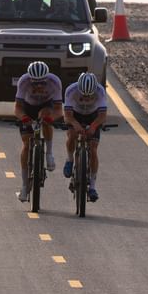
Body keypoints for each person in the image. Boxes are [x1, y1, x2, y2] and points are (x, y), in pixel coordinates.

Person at [13, 60, 63, 202]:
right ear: (30, 79)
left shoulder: (55, 82)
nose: (39, 86)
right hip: (28, 107)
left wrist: (51, 119)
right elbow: (17, 108)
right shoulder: (23, 81)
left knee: (45, 116)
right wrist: (24, 118)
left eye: (42, 82)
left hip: (46, 105)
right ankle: (24, 186)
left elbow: (59, 110)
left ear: (47, 78)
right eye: (35, 83)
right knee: (26, 144)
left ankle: (49, 154)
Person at [63, 72, 108, 202]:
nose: (86, 97)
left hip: (93, 115)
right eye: (83, 95)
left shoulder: (100, 91)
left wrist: (93, 126)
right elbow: (67, 116)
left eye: (89, 95)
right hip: (75, 114)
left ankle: (92, 186)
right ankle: (70, 160)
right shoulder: (71, 90)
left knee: (93, 149)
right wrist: (75, 124)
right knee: (72, 134)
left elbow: (102, 116)